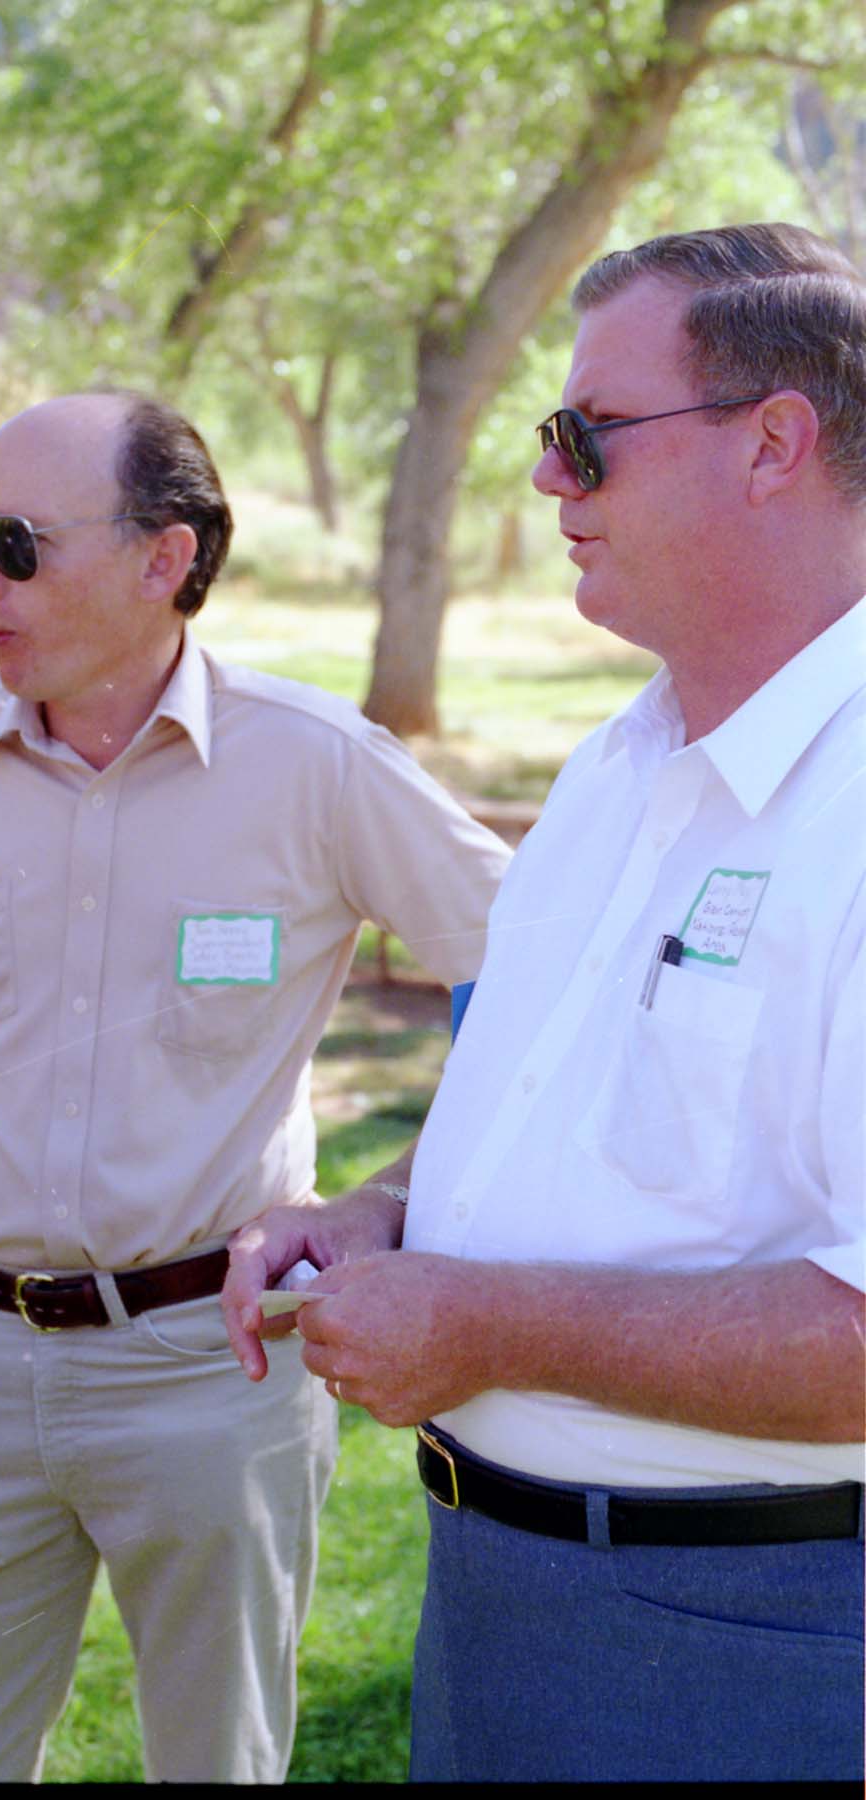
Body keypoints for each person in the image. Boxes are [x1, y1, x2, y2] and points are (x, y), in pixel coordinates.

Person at [223, 222, 866, 1784]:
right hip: (499, 1595)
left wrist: (485, 1321)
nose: (545, 479)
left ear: (773, 443)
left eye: (587, 435)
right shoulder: (616, 764)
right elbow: (558, 1094)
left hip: (763, 1636)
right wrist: (390, 1214)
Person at [0, 387, 511, 1784]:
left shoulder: (315, 763)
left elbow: (540, 989)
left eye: (16, 543)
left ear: (166, 556)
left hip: (218, 1371)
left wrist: (389, 1202)